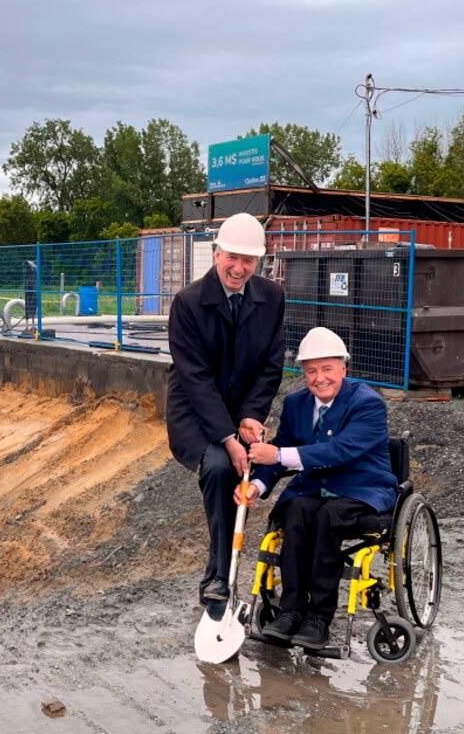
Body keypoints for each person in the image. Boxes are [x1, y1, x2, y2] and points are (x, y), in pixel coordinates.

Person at [236, 326, 395, 649]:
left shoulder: (368, 404)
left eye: (327, 369)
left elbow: (340, 450)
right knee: (295, 511)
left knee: (328, 517)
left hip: (361, 487)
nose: (319, 378)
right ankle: (291, 610)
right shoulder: (296, 404)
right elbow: (279, 454)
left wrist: (278, 454)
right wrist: (256, 485)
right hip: (313, 490)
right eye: (311, 371)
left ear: (343, 368)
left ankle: (319, 617)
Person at [166, 213, 286, 612]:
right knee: (220, 466)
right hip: (195, 413)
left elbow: (271, 364)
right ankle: (220, 574)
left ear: (259, 263)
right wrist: (229, 438)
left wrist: (252, 415)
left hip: (241, 410)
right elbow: (195, 378)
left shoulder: (271, 298)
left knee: (238, 470)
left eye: (248, 260)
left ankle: (223, 571)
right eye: (232, 257)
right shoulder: (187, 304)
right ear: (216, 254)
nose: (239, 268)